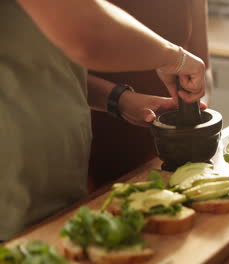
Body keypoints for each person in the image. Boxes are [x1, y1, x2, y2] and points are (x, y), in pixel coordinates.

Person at [0, 0, 206, 240]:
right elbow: (87, 33)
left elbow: (43, 66)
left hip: (48, 187)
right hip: (11, 196)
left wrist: (119, 100)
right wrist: (175, 58)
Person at [88, 0, 211, 191]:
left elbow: (199, 59)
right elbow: (70, 65)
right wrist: (119, 99)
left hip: (169, 127)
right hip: (101, 129)